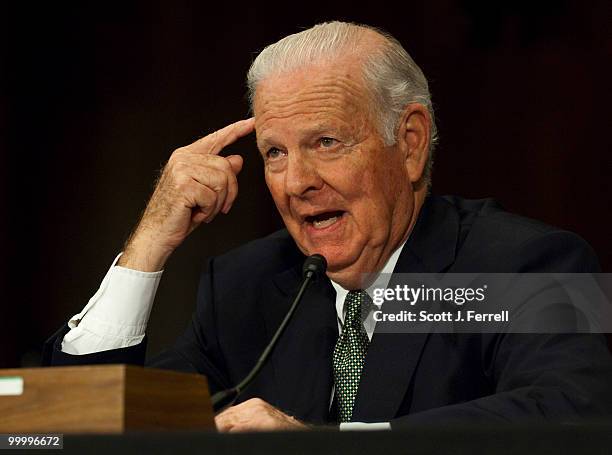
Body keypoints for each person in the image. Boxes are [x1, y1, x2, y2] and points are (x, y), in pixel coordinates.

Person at [43, 21, 612, 431]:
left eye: (326, 142)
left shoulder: (527, 263)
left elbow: (580, 413)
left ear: (409, 143)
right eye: (274, 153)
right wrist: (148, 245)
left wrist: (322, 449)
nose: (296, 183)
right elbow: (66, 427)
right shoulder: (247, 287)